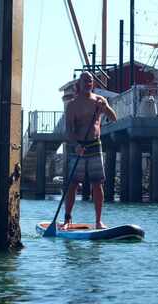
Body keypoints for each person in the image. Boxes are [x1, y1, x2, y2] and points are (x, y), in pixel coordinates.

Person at [63, 71, 117, 230]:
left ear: (93, 84)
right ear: (79, 84)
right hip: (78, 147)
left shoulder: (99, 101)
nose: (87, 83)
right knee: (72, 184)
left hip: (95, 145)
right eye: (85, 81)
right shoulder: (73, 105)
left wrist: (105, 107)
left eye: (90, 81)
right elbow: (69, 131)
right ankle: (67, 220)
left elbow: (113, 118)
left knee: (97, 183)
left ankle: (99, 221)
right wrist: (76, 145)